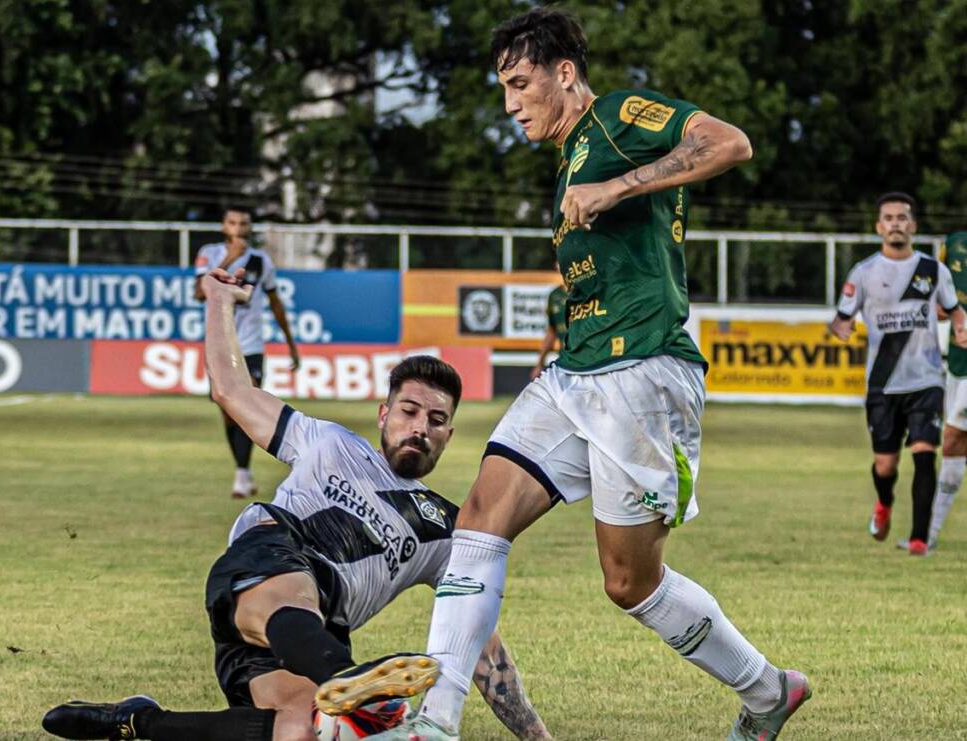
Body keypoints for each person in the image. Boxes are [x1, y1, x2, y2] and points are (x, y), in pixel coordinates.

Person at [325, 8, 810, 740]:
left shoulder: (618, 117)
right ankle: (434, 723)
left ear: (564, 73)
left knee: (631, 584)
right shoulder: (569, 157)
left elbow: (728, 142)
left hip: (643, 373)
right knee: (480, 517)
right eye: (503, 89)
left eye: (520, 83)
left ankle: (769, 690)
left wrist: (619, 188)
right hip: (578, 370)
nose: (511, 103)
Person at [41, 268, 551, 741]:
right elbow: (231, 389)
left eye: (436, 421)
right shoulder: (325, 441)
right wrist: (219, 300)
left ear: (450, 435)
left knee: (302, 729)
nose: (420, 427)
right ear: (382, 414)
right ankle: (347, 683)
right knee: (301, 595)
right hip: (270, 559)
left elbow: (482, 646)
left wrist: (537, 737)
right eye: (409, 411)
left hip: (318, 631)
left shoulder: (446, 531)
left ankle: (136, 721)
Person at [831, 194, 967, 556]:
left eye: (902, 218)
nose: (895, 223)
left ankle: (920, 538)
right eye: (888, 218)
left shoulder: (933, 270)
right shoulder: (864, 272)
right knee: (885, 465)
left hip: (926, 379)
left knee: (925, 453)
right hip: (883, 383)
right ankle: (884, 503)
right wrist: (840, 327)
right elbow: (840, 318)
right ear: (879, 227)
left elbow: (954, 310)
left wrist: (960, 326)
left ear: (913, 226)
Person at [194, 205, 301, 499]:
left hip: (250, 345)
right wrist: (230, 259)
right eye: (233, 223)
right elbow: (199, 292)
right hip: (219, 345)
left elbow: (275, 302)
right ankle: (243, 470)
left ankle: (242, 475)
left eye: (244, 223)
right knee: (228, 410)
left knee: (248, 402)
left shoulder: (261, 260)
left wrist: (291, 344)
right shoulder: (210, 253)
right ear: (223, 226)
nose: (239, 228)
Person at [902, 229, 967, 550]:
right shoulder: (954, 245)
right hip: (958, 362)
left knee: (953, 438)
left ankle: (927, 535)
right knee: (955, 446)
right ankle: (929, 535)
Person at [529, 264, 567, 381]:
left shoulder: (586, 293)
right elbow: (552, 331)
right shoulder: (554, 295)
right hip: (565, 362)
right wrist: (539, 364)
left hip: (588, 361)